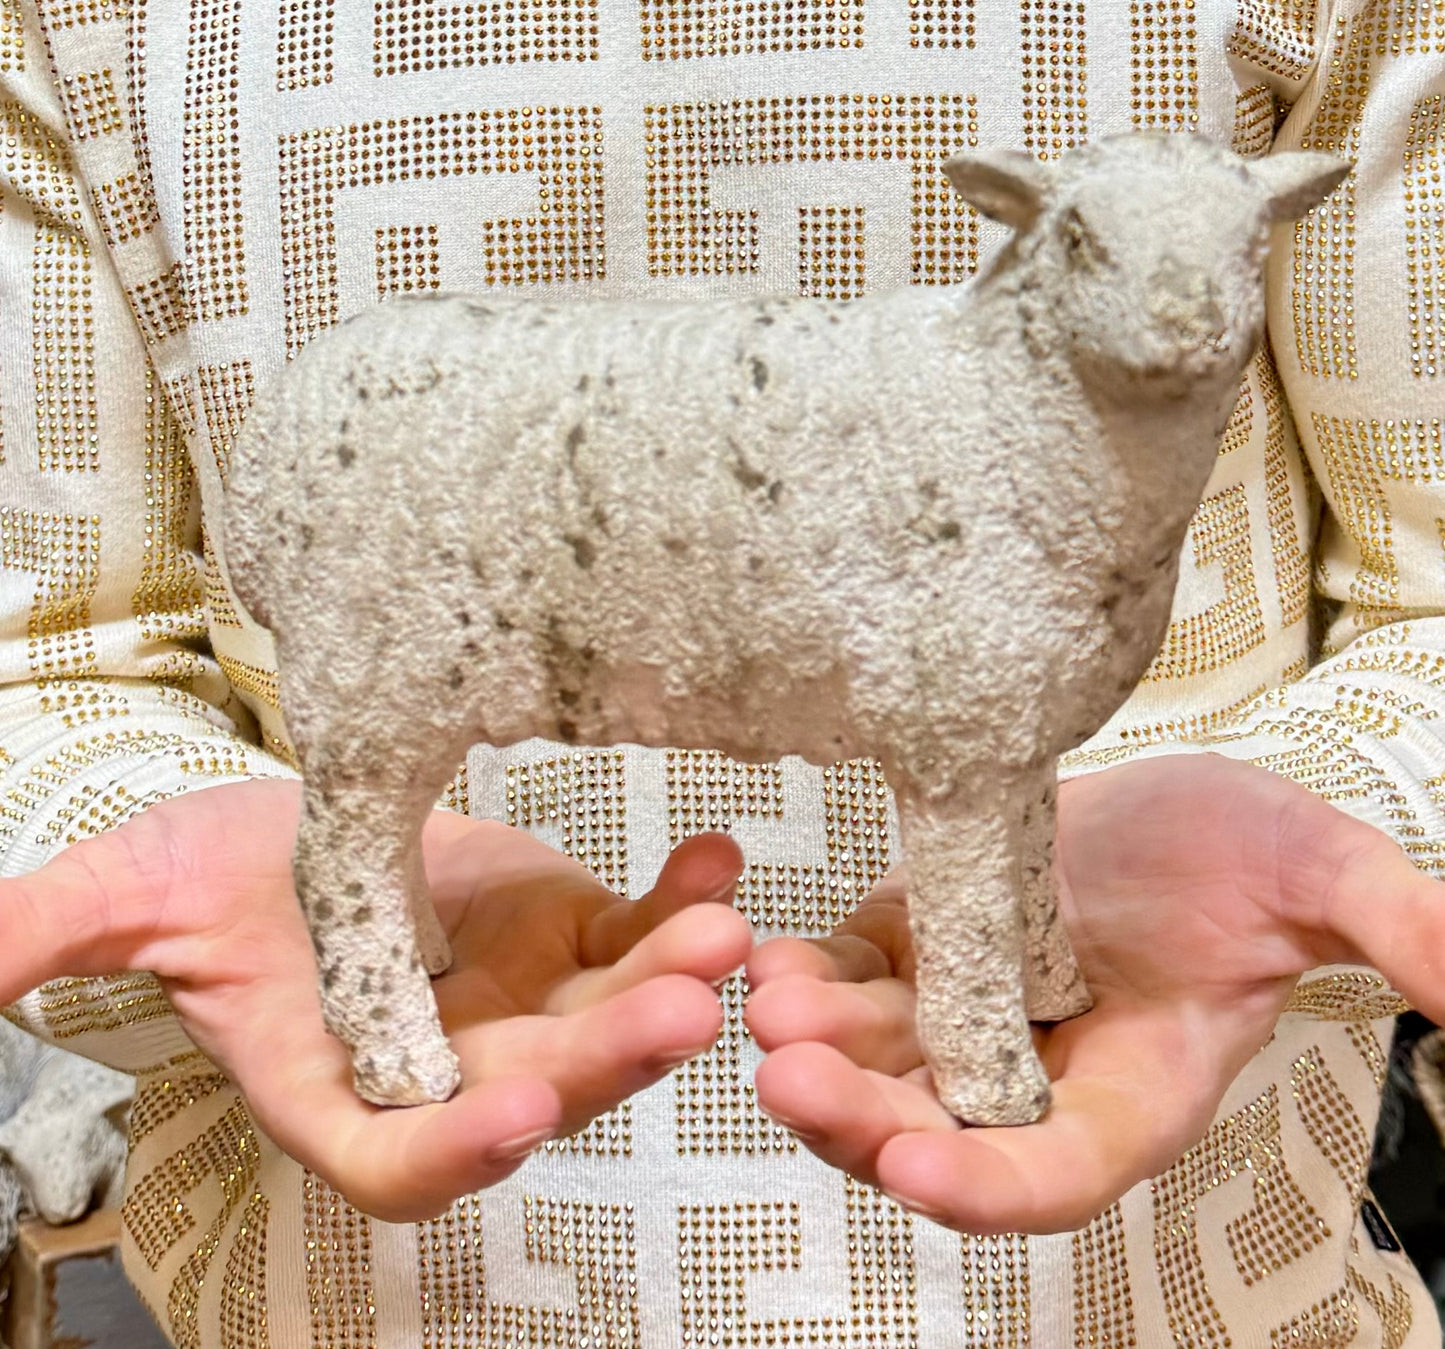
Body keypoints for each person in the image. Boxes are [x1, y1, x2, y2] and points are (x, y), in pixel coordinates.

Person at [0, 0, 1441, 1342]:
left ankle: (1031, 964)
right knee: (385, 750)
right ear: (1037, 239)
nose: (1181, 312)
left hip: (1196, 1286)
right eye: (1108, 259)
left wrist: (1329, 828)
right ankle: (404, 978)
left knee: (994, 733)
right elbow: (50, 647)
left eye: (1216, 267)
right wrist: (122, 830)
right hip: (343, 1292)